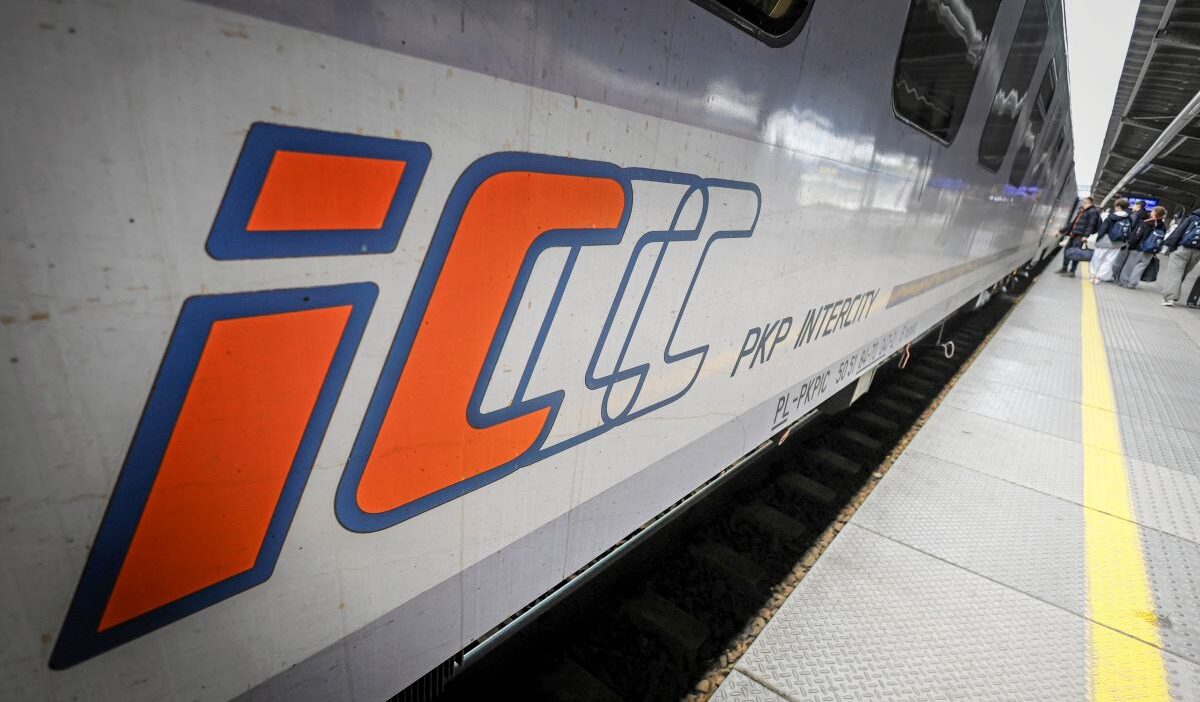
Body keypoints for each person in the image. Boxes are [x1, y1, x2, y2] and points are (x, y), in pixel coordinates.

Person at [1118, 205, 1167, 288]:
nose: (1151, 212)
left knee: (1130, 265)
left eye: (1152, 211)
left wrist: (1131, 244)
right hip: (1150, 250)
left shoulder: (1146, 222)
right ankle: (1133, 283)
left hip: (1139, 248)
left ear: (1155, 213)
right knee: (1141, 266)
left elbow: (1137, 235)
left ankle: (1124, 281)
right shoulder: (1163, 226)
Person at [1160, 206, 1200, 306]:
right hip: (1197, 252)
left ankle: (1169, 298)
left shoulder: (1192, 217)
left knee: (1175, 273)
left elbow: (1179, 231)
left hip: (1182, 248)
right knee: (1182, 272)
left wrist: (1171, 247)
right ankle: (1171, 292)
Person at [1089, 198, 1132, 284]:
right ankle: (1098, 277)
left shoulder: (1111, 217)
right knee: (1109, 261)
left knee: (1097, 258)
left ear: (1118, 207)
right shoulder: (1128, 218)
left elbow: (1103, 229)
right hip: (1118, 243)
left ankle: (1093, 275)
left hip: (1105, 241)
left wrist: (1098, 238)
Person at [1057, 197, 1100, 278]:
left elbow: (1091, 225)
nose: (1083, 204)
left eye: (1084, 203)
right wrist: (1062, 231)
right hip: (1074, 235)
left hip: (1080, 237)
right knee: (1067, 251)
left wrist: (1085, 236)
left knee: (1076, 254)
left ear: (1089, 203)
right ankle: (1064, 268)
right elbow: (1073, 223)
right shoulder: (1082, 211)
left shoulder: (1092, 212)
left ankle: (1072, 271)